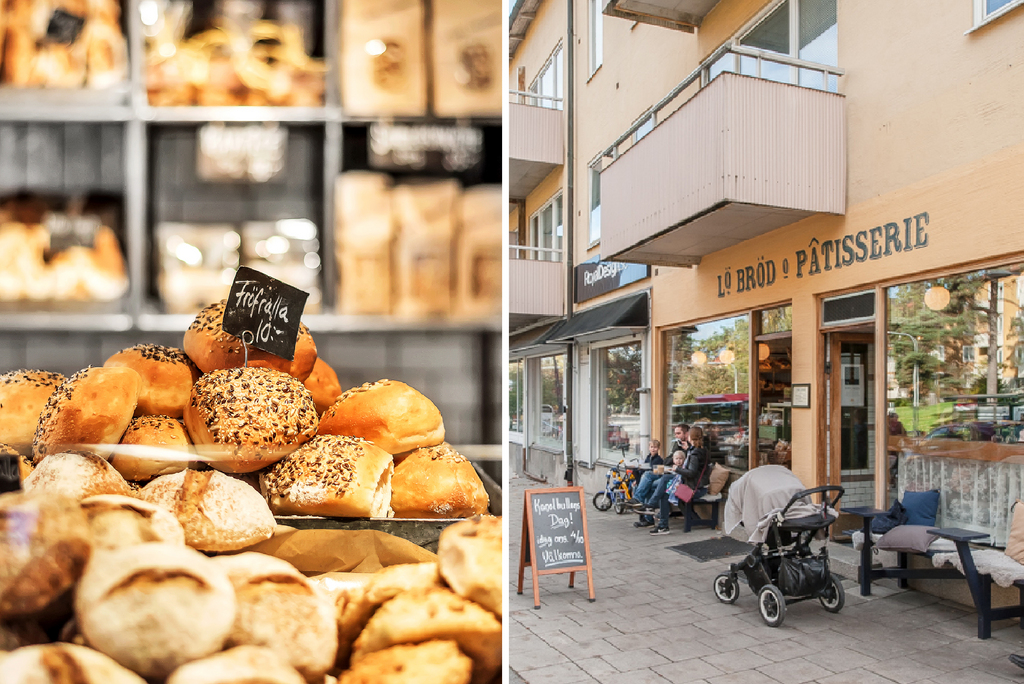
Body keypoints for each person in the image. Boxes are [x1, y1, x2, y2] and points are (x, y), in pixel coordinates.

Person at [646, 426, 710, 535]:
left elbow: (691, 473)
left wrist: (677, 469)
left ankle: (654, 510)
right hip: (691, 484)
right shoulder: (697, 450)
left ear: (691, 437)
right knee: (664, 487)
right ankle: (660, 521)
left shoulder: (695, 454)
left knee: (665, 485)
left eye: (688, 435)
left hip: (694, 488)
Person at [632, 449, 685, 528]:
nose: (679, 461)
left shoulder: (684, 467)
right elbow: (664, 463)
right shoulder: (651, 457)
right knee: (648, 477)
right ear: (673, 460)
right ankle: (647, 518)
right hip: (666, 478)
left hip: (672, 484)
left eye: (681, 459)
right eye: (676, 459)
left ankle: (640, 502)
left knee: (648, 484)